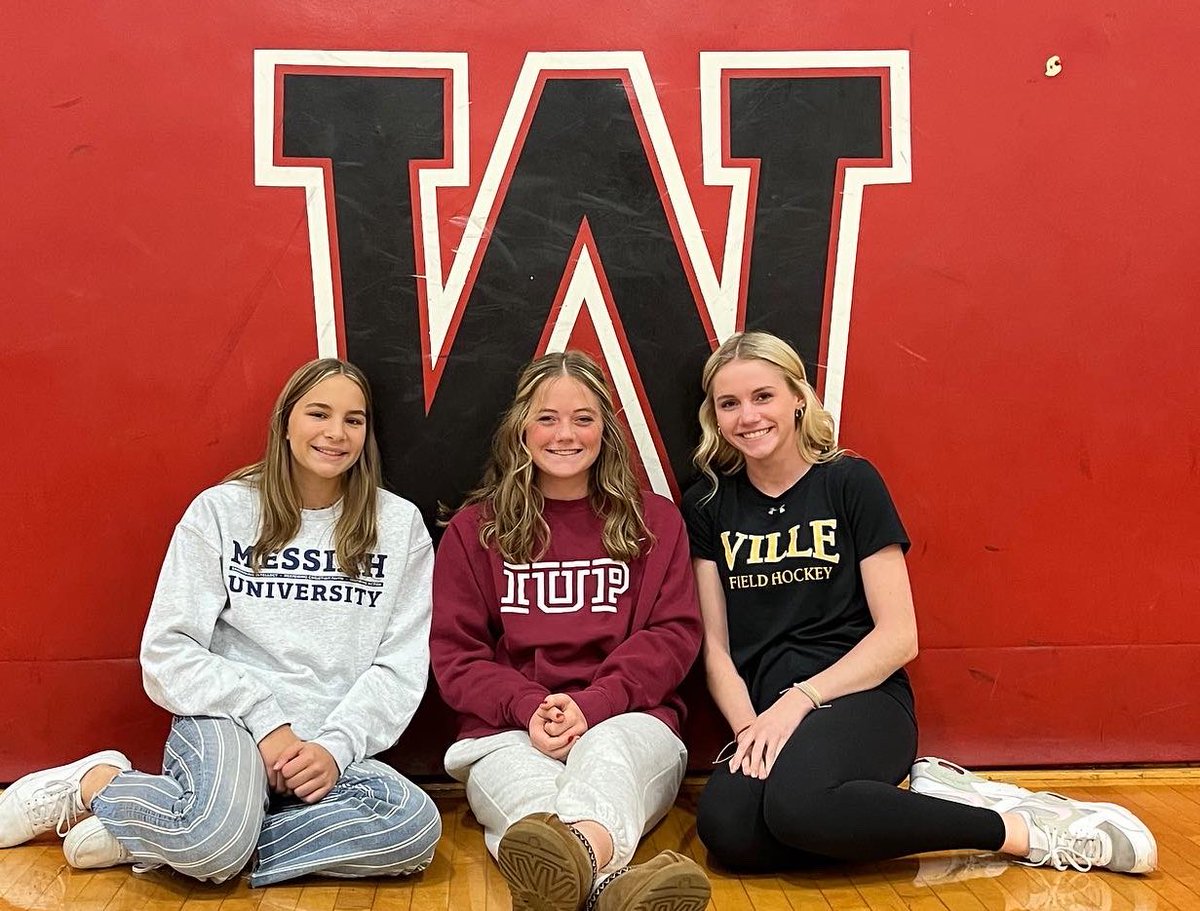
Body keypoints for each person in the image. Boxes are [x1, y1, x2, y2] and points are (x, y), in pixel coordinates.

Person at [682, 330, 1156, 876]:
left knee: (799, 807)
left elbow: (898, 635)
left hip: (860, 698)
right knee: (729, 833)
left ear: (797, 397)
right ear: (714, 418)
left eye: (763, 396)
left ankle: (1021, 830)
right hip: (765, 714)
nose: (748, 416)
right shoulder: (709, 503)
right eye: (729, 403)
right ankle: (922, 801)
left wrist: (800, 700)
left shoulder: (848, 482)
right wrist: (748, 729)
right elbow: (715, 647)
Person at [0, 358, 441, 886]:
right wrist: (265, 720)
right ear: (285, 423)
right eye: (318, 413)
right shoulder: (222, 511)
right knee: (215, 837)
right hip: (231, 725)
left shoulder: (398, 525)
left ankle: (170, 831)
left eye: (354, 419)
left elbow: (400, 665)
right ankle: (97, 785)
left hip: (329, 744)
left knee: (412, 827)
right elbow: (168, 649)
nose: (336, 433)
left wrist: (336, 746)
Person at [431, 351, 710, 911]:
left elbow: (673, 635)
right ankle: (608, 886)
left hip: (631, 720)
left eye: (583, 418)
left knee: (605, 761)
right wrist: (529, 706)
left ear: (605, 428)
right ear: (521, 429)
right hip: (504, 731)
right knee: (530, 799)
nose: (566, 433)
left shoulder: (655, 522)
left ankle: (578, 864)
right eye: (547, 418)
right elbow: (457, 657)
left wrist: (596, 703)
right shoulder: (474, 530)